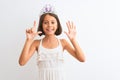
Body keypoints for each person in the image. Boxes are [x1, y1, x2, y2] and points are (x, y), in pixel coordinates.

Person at [19, 4, 85, 80]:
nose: (49, 25)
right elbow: (22, 62)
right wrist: (28, 40)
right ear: (41, 25)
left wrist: (73, 40)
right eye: (45, 22)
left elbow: (82, 59)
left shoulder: (63, 43)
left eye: (53, 22)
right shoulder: (36, 43)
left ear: (57, 25)